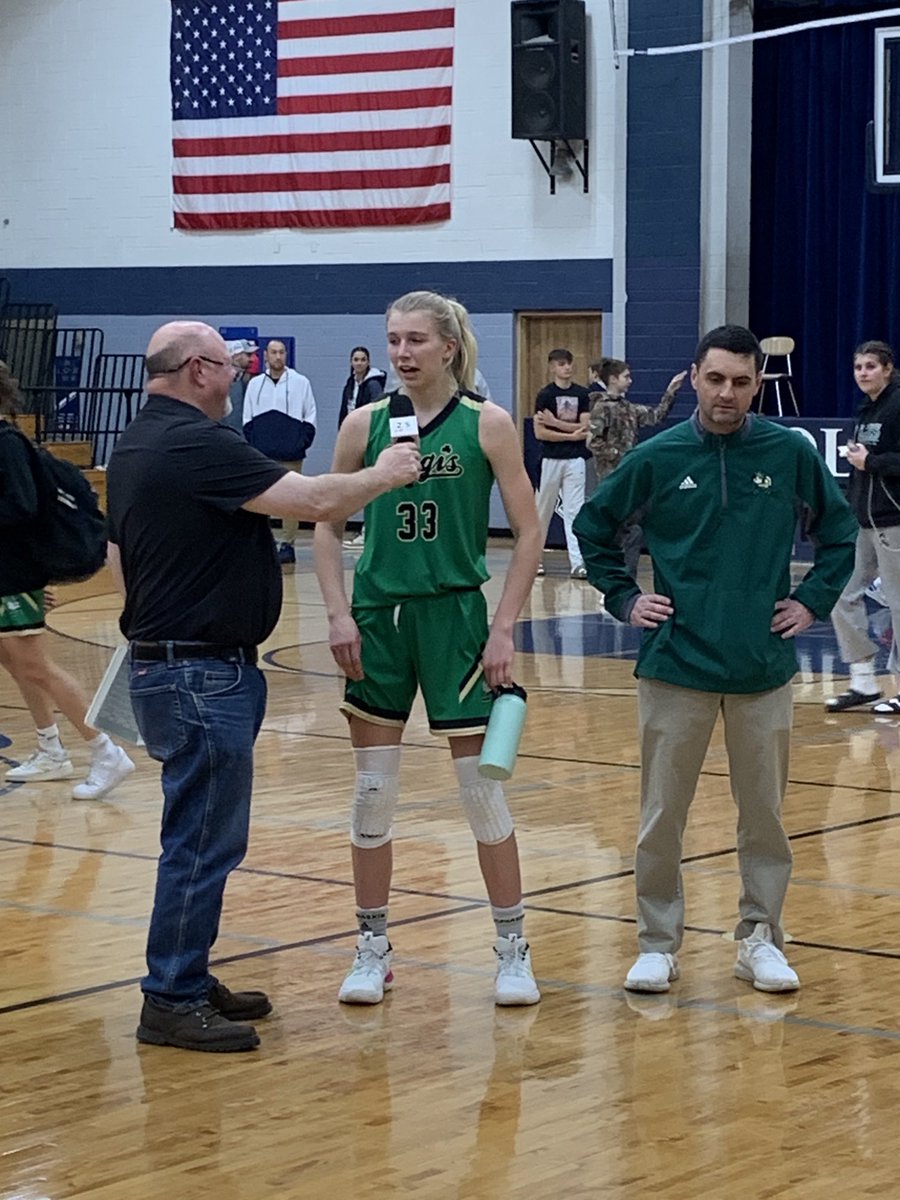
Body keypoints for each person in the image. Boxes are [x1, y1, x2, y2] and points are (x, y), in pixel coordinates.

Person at [105, 320, 419, 1053]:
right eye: (232, 364)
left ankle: (185, 972)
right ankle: (171, 996)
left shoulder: (135, 442)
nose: (241, 374)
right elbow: (308, 499)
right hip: (199, 673)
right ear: (197, 370)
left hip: (175, 663)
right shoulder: (194, 440)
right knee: (201, 842)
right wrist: (386, 474)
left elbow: (119, 552)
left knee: (200, 834)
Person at [573, 325, 856, 995]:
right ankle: (657, 943)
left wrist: (811, 602)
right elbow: (593, 528)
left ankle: (759, 938)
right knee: (661, 816)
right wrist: (622, 597)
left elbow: (839, 534)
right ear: (693, 377)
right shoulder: (658, 455)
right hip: (675, 665)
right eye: (715, 378)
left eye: (740, 381)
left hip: (762, 668)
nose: (727, 392)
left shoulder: (787, 452)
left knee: (765, 817)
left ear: (757, 385)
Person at [313, 290, 543, 1008]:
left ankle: (511, 946)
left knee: (481, 795)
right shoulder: (364, 423)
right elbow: (323, 519)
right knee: (373, 793)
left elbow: (530, 531)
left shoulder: (488, 423)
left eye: (416, 340)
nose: (403, 353)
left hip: (456, 621)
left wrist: (503, 626)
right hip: (379, 619)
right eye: (393, 340)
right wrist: (338, 613)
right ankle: (371, 946)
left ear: (448, 347)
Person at [0, 360, 135, 800]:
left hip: (12, 574)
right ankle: (50, 749)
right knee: (16, 663)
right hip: (10, 573)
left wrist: (34, 579)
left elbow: (22, 507)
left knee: (36, 665)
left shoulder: (6, 442)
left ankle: (106, 751)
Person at [825, 341, 900, 714]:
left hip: (895, 519)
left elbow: (882, 461)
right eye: (858, 368)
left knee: (899, 605)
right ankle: (863, 681)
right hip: (863, 520)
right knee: (843, 592)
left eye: (871, 366)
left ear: (887, 369)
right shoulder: (866, 409)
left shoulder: (898, 404)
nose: (863, 373)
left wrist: (872, 462)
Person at [587, 357, 687, 577]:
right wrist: (621, 456)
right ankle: (612, 581)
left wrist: (671, 391)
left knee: (633, 530)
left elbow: (656, 416)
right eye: (626, 376)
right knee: (618, 532)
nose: (630, 381)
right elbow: (593, 442)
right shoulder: (601, 408)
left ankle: (627, 578)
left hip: (630, 479)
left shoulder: (628, 408)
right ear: (613, 379)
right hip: (612, 478)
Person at [243, 338, 317, 564]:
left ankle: (288, 544)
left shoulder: (300, 382)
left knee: (291, 500)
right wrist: (255, 445)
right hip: (262, 455)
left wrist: (300, 443)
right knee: (260, 499)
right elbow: (248, 418)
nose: (278, 356)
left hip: (291, 454)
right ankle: (261, 543)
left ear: (286, 354)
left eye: (281, 352)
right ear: (266, 355)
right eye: (273, 352)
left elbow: (310, 415)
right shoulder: (255, 384)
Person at [533, 348, 591, 578]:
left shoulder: (582, 394)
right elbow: (539, 432)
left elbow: (585, 428)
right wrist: (570, 434)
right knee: (542, 511)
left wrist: (554, 422)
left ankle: (577, 563)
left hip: (575, 460)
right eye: (560, 364)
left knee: (574, 511)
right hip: (550, 459)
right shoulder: (545, 395)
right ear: (552, 367)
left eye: (568, 363)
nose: (566, 367)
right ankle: (535, 560)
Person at [339, 346, 387, 550]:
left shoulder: (373, 385)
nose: (359, 363)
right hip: (354, 440)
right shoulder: (350, 384)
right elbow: (344, 411)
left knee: (370, 486)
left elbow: (375, 413)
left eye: (362, 359)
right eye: (355, 359)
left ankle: (370, 532)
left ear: (368, 362)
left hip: (369, 441)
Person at [220, 338, 257, 436]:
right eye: (248, 355)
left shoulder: (244, 381)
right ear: (236, 356)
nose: (252, 359)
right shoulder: (219, 382)